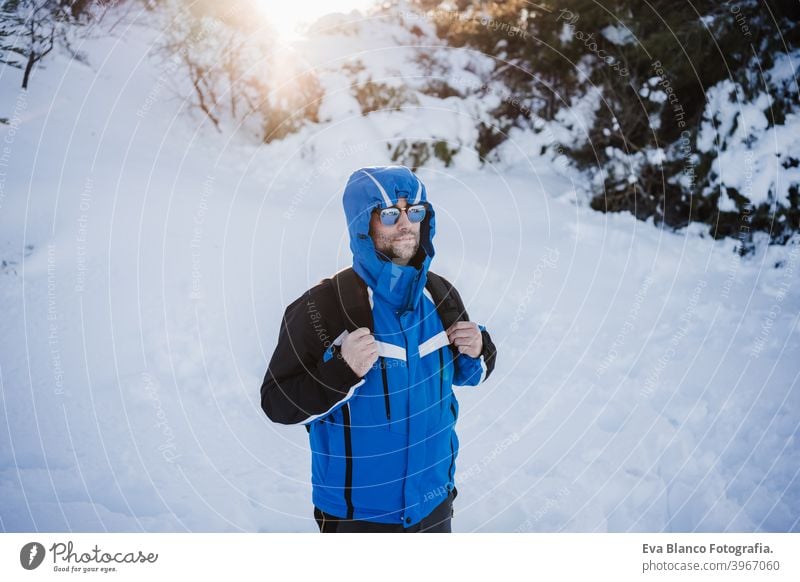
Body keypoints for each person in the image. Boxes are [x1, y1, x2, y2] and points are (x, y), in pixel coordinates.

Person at [260, 165, 497, 532]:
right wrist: (341, 371)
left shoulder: (440, 294)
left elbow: (468, 373)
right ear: (363, 224)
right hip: (359, 518)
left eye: (414, 211)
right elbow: (278, 402)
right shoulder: (324, 307)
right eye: (389, 214)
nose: (405, 223)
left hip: (435, 503)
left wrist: (480, 350)